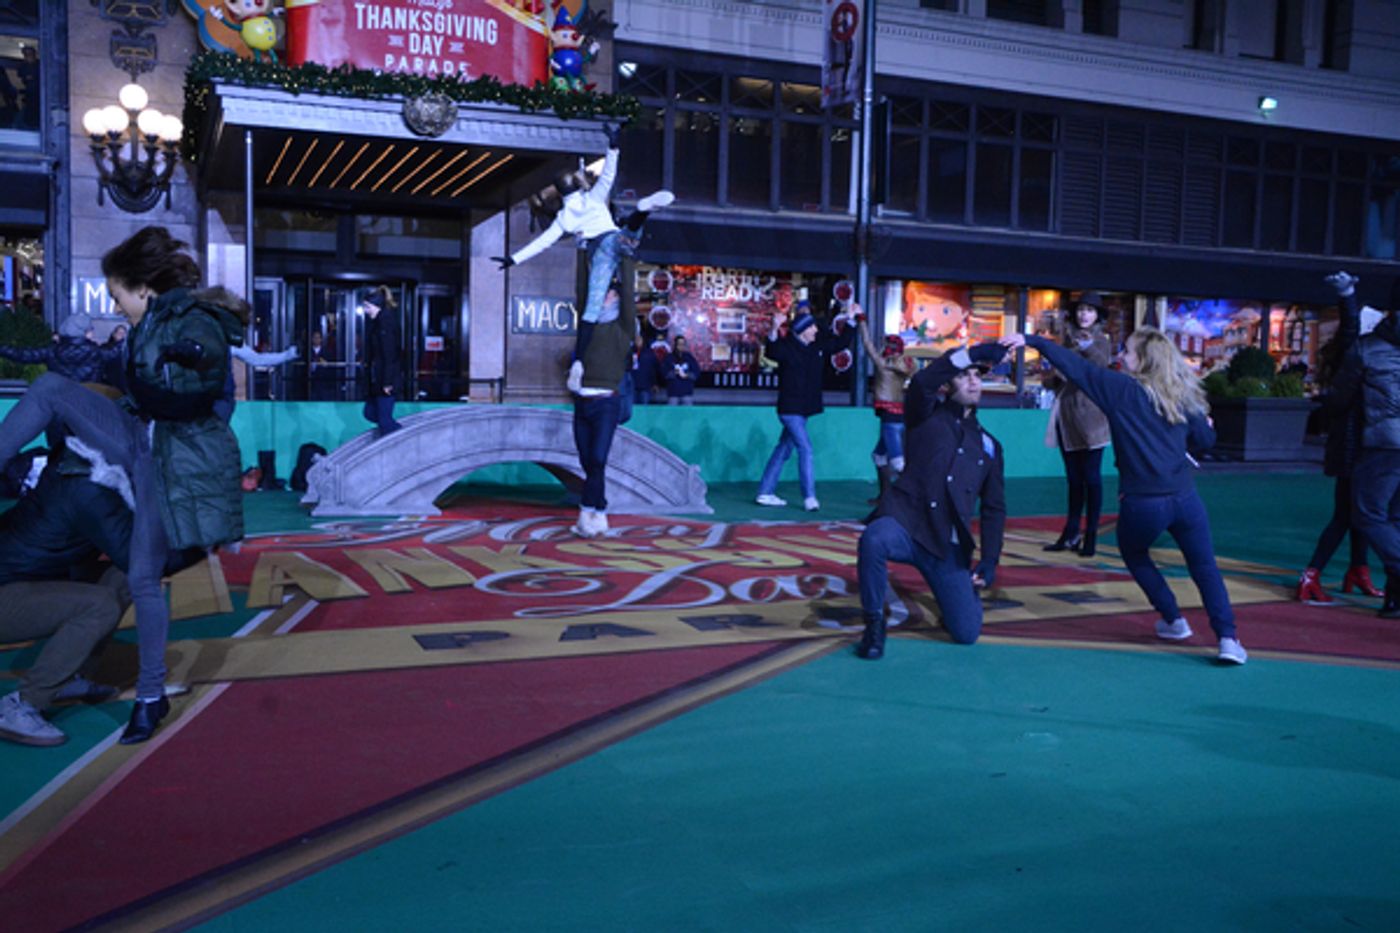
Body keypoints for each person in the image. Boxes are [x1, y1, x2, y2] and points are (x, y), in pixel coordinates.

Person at [0, 226, 247, 741]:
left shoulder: (191, 320)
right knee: (49, 388)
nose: (116, 308)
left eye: (117, 297)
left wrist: (188, 363)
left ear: (141, 288)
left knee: (139, 579)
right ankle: (112, 689)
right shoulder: (144, 328)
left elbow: (211, 387)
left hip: (165, 453)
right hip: (137, 441)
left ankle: (149, 698)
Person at [1005, 327, 1247, 664]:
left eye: (1128, 352)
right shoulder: (1183, 395)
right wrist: (1204, 426)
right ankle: (1229, 640)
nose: (1122, 356)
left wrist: (1034, 341)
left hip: (1142, 502)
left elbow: (1077, 368)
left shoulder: (1120, 391)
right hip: (1185, 498)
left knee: (1134, 553)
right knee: (1205, 567)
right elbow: (1205, 441)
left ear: (1144, 361)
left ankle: (1174, 619)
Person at [855, 342, 1009, 659]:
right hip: (906, 524)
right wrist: (975, 352)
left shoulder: (990, 445)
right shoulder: (924, 414)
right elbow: (924, 382)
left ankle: (958, 594)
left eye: (978, 376)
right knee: (873, 539)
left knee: (967, 633)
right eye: (964, 375)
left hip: (945, 545)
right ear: (948, 384)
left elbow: (994, 509)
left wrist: (990, 560)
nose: (973, 381)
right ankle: (873, 623)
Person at [493, 124, 673, 384]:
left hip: (596, 254)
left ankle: (578, 363)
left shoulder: (563, 219)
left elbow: (542, 243)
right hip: (610, 240)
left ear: (561, 193)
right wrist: (613, 144)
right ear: (576, 186)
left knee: (590, 312)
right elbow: (609, 175)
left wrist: (513, 259)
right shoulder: (593, 198)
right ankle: (642, 212)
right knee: (627, 240)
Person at [0, 458, 133, 746]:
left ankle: (69, 678)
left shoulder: (87, 482)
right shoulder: (82, 493)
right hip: (6, 587)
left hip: (23, 579)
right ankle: (21, 703)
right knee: (99, 604)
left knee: (123, 578)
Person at [1296, 271, 1382, 603]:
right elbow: (1349, 328)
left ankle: (1357, 571)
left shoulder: (1355, 359)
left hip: (1354, 446)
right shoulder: (1358, 353)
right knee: (1349, 515)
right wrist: (1347, 296)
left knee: (1357, 514)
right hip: (1357, 447)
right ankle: (1313, 573)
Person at [1329, 280, 1400, 619]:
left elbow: (1340, 396)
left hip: (1384, 442)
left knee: (1368, 514)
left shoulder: (1368, 348)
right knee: (1395, 519)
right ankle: (1395, 600)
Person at [755, 296, 854, 511]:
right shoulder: (787, 347)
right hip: (790, 410)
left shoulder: (816, 347)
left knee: (783, 450)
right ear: (802, 331)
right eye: (812, 328)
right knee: (806, 449)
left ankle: (765, 492)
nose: (816, 331)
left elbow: (840, 343)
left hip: (804, 408)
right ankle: (809, 497)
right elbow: (772, 350)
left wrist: (852, 320)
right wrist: (774, 328)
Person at [1042, 291, 1112, 557]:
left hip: (1092, 418)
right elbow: (1056, 378)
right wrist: (1051, 376)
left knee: (1091, 478)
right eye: (1081, 310)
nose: (1084, 314)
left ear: (1097, 316)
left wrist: (1084, 348)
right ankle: (1071, 532)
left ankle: (1091, 535)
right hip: (1066, 416)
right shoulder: (1066, 341)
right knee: (1073, 479)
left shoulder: (1101, 341)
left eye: (1090, 310)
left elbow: (1100, 365)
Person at [570, 281, 635, 538]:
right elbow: (584, 288)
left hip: (607, 403)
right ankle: (601, 510)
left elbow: (629, 297)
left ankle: (587, 513)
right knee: (588, 462)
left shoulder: (623, 328)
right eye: (603, 291)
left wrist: (626, 255)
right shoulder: (588, 323)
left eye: (610, 292)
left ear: (618, 298)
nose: (604, 295)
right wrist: (583, 246)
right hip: (581, 402)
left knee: (598, 459)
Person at [855, 310, 917, 495]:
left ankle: (910, 498)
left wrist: (862, 322)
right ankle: (886, 497)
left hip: (888, 416)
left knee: (898, 462)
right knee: (880, 456)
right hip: (900, 413)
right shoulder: (907, 363)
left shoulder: (883, 363)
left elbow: (867, 344)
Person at [0, 312, 124, 386]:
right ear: (87, 333)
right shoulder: (97, 353)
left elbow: (22, 355)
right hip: (89, 405)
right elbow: (120, 349)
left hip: (60, 406)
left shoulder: (51, 351)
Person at [361, 286, 402, 438]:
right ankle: (397, 432)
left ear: (376, 306)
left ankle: (401, 437)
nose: (366, 310)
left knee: (384, 421)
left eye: (367, 306)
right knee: (369, 412)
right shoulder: (377, 323)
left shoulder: (386, 323)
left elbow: (390, 355)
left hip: (385, 380)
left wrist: (388, 382)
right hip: (377, 379)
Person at [665, 335, 699, 405]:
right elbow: (664, 373)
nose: (681, 346)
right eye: (679, 344)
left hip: (686, 392)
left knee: (688, 414)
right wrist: (675, 373)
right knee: (672, 414)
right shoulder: (669, 358)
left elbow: (696, 372)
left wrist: (687, 375)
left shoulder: (689, 357)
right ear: (675, 345)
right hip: (673, 393)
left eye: (683, 344)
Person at [307, 330, 338, 401]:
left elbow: (331, 368)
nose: (316, 340)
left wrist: (326, 364)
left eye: (318, 338)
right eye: (315, 338)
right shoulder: (307, 351)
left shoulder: (327, 351)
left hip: (324, 384)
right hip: (311, 383)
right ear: (312, 339)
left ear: (321, 339)